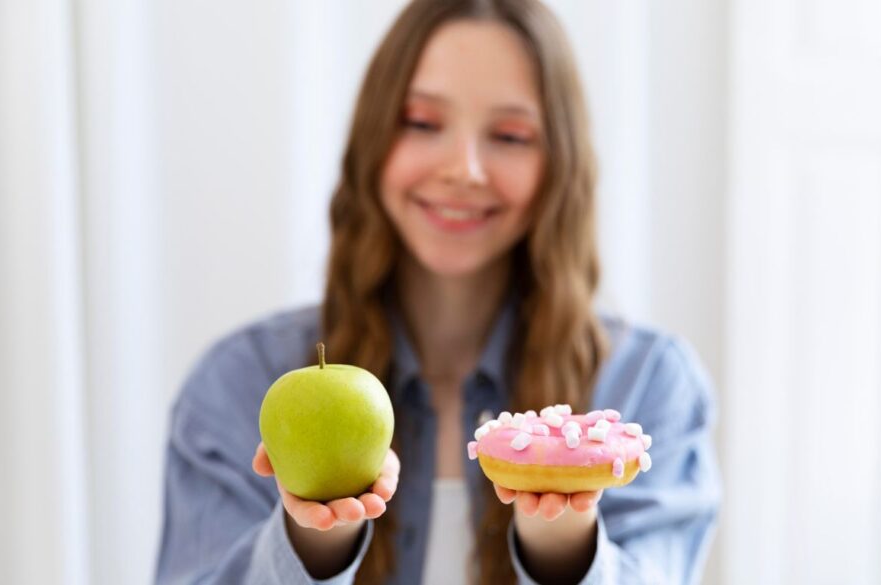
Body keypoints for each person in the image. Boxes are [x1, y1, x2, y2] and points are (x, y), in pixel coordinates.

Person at [154, 0, 720, 583]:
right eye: (422, 123)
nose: (464, 168)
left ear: (560, 166)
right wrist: (313, 542)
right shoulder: (238, 381)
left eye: (509, 135)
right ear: (372, 139)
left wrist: (563, 544)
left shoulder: (649, 381)